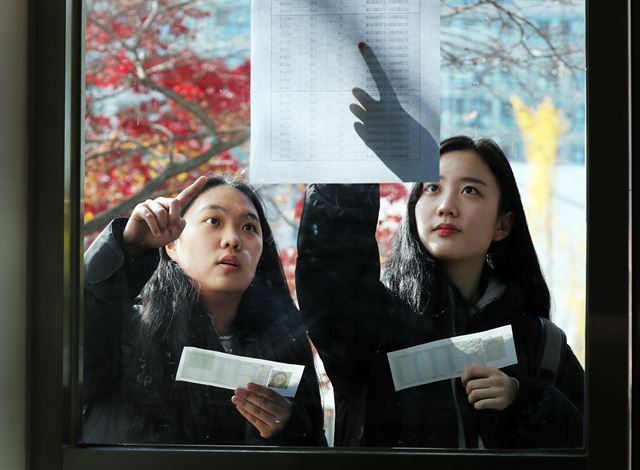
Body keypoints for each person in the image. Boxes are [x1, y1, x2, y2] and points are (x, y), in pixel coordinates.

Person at [296, 136, 584, 448]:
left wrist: (523, 399)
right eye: (432, 188)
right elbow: (331, 271)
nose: (447, 206)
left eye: (470, 190)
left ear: (503, 224)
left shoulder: (542, 344)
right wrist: (348, 170)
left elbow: (599, 445)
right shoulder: (373, 324)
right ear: (413, 208)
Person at [83, 175, 326, 446]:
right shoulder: (130, 329)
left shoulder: (287, 346)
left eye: (249, 227)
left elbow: (317, 447)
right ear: (172, 243)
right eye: (213, 221)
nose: (233, 240)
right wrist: (128, 249)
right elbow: (65, 349)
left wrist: (288, 430)